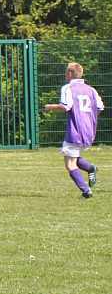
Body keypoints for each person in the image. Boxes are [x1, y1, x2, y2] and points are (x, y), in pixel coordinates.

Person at [43, 62, 103, 199]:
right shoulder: (91, 89)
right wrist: (87, 118)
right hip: (89, 129)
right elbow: (100, 107)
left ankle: (86, 190)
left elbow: (66, 106)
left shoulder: (68, 88)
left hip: (75, 129)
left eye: (66, 72)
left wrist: (49, 107)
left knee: (70, 164)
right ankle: (90, 168)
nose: (65, 75)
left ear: (70, 73)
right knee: (72, 156)